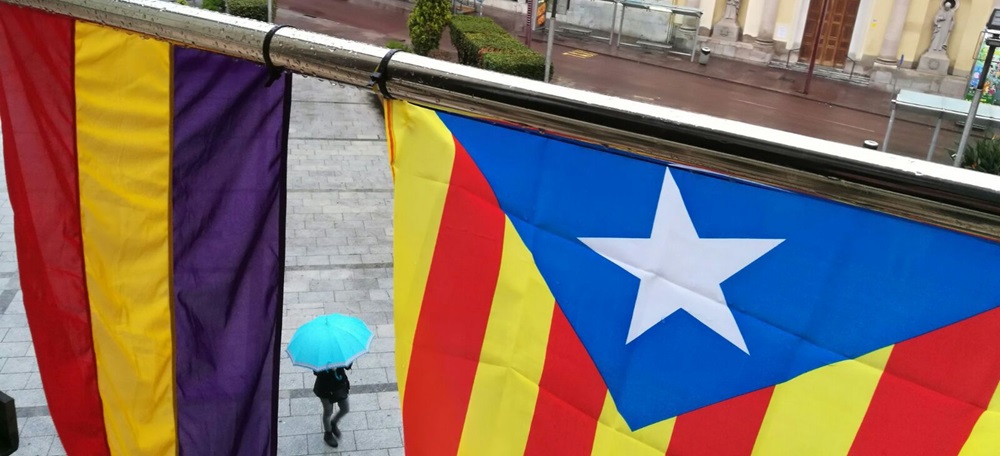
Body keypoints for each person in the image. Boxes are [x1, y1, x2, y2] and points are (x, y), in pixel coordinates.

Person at [313, 364, 351, 447]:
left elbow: (347, 366)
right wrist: (329, 369)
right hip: (325, 389)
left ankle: (333, 423)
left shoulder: (338, 354)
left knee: (345, 409)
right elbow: (316, 372)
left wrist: (343, 364)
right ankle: (328, 434)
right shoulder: (320, 358)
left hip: (340, 386)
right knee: (328, 412)